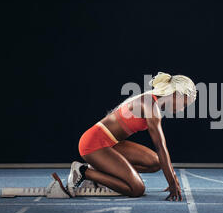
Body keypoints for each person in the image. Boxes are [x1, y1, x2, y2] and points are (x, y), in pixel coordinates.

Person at [67, 72, 197, 201]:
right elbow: (160, 147)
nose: (182, 110)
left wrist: (172, 176)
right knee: (137, 189)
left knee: (155, 163)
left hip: (110, 144)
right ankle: (84, 172)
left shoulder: (153, 102)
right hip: (93, 145)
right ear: (175, 94)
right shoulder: (150, 104)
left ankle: (102, 172)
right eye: (184, 104)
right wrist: (172, 182)